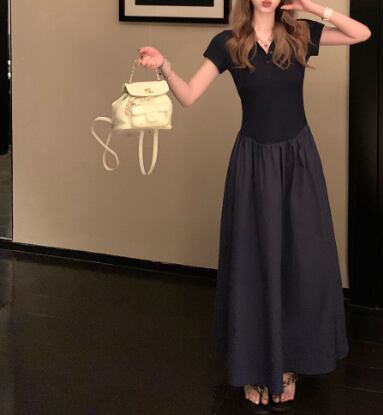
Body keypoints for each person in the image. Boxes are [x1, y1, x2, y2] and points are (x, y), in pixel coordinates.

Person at [136, 0, 371, 412]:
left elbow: (361, 33)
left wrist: (311, 6)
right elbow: (188, 96)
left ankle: (288, 364)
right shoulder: (228, 43)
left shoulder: (299, 33)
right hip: (253, 165)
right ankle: (256, 366)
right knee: (255, 262)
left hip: (298, 161)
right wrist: (164, 67)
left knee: (301, 262)